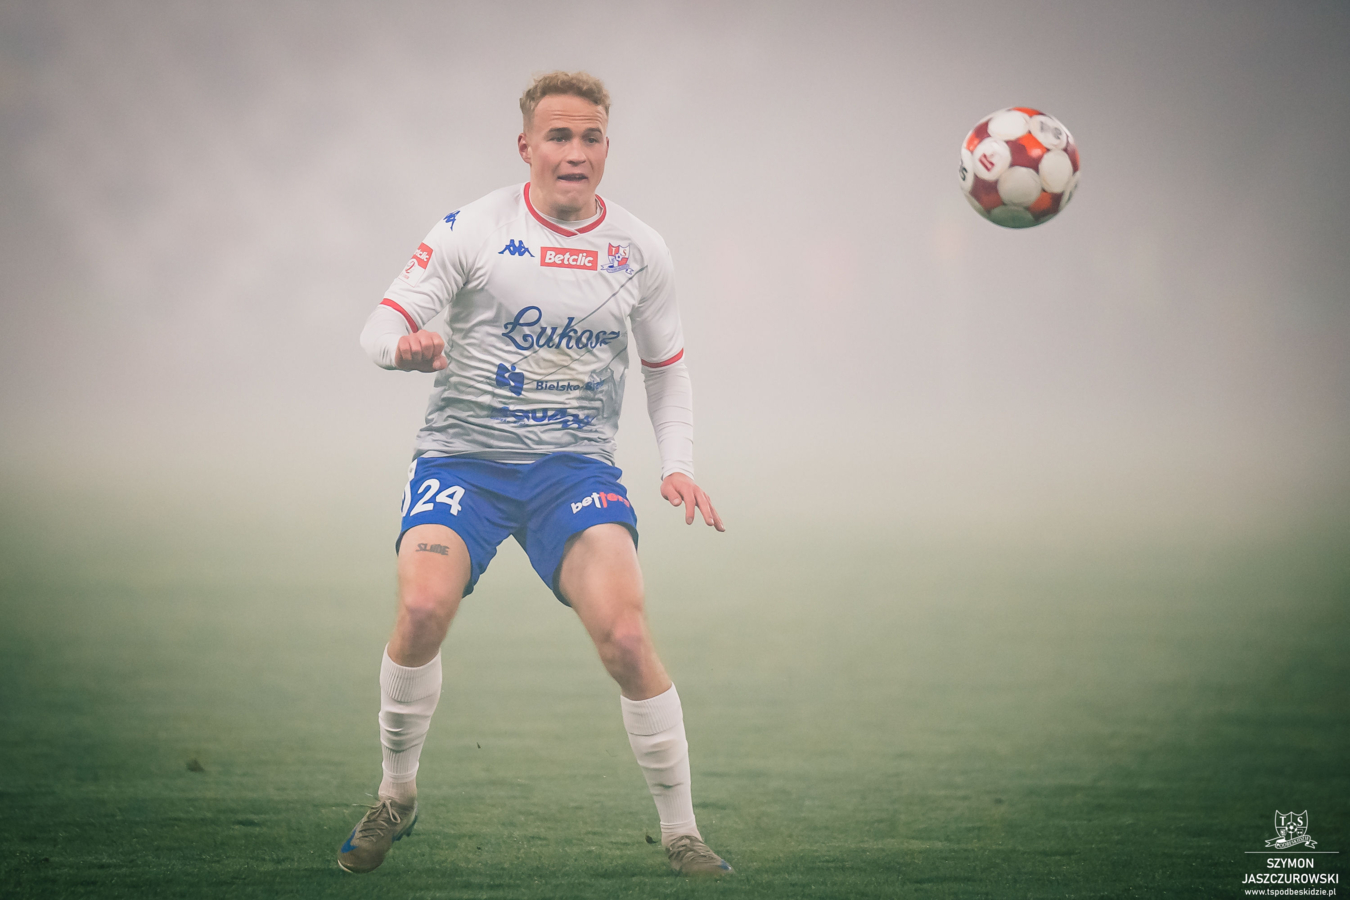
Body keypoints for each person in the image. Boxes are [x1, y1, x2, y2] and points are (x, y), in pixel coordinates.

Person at [339, 71, 733, 878]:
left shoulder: (639, 249)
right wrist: (402, 349)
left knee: (627, 637)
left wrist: (678, 464)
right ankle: (396, 795)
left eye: (591, 137)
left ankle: (683, 833)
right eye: (559, 136)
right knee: (421, 608)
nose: (575, 152)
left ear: (607, 148)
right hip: (464, 461)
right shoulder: (473, 228)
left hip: (572, 472)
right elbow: (381, 323)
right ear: (526, 147)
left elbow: (666, 369)